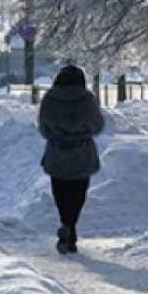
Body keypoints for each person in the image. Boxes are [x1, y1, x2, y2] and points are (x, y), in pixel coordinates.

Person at [37, 64, 105, 254]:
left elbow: (43, 128)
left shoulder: (49, 99)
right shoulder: (87, 100)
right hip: (81, 156)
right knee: (77, 196)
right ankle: (70, 227)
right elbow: (98, 126)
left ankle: (66, 226)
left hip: (57, 156)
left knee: (61, 195)